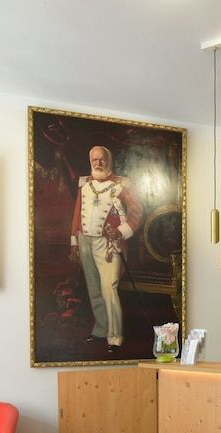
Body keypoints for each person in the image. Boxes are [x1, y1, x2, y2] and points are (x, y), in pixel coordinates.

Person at [69, 145, 143, 350]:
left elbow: (137, 211)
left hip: (108, 244)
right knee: (94, 289)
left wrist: (120, 231)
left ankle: (115, 336)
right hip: (85, 240)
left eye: (102, 159)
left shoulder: (122, 184)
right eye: (94, 159)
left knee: (109, 289)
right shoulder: (84, 183)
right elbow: (77, 214)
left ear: (108, 161)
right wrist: (74, 243)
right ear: (90, 161)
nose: (98, 163)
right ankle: (101, 330)